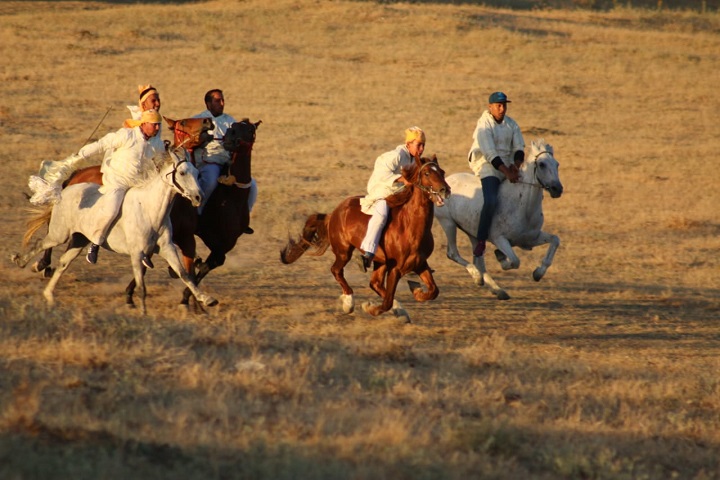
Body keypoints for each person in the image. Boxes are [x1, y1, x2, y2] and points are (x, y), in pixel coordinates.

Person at [77, 109, 164, 266]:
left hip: (138, 184)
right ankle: (95, 243)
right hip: (117, 180)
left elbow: (161, 161)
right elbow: (103, 144)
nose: (158, 128)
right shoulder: (127, 135)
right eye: (155, 125)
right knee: (111, 208)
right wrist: (82, 154)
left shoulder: (157, 143)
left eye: (159, 125)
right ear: (144, 124)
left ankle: (143, 249)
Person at [357, 127, 425, 272]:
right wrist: (402, 179)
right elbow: (382, 174)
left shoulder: (416, 160)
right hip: (383, 192)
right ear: (408, 144)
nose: (422, 148)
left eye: (423, 145)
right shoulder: (396, 156)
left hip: (400, 195)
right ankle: (368, 253)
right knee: (381, 215)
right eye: (418, 145)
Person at [468, 91, 525, 258]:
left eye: (504, 105)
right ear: (490, 107)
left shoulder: (511, 124)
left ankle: (507, 239)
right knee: (491, 200)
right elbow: (490, 154)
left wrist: (516, 165)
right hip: (487, 165)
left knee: (524, 197)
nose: (502, 109)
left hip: (507, 166)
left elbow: (519, 147)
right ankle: (481, 239)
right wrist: (507, 173)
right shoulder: (483, 125)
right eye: (498, 105)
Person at [193, 89, 257, 233]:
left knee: (251, 185)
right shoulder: (198, 120)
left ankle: (243, 218)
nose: (222, 103)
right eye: (217, 101)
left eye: (222, 100)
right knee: (210, 181)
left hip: (228, 163)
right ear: (208, 103)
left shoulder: (230, 121)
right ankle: (198, 212)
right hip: (209, 162)